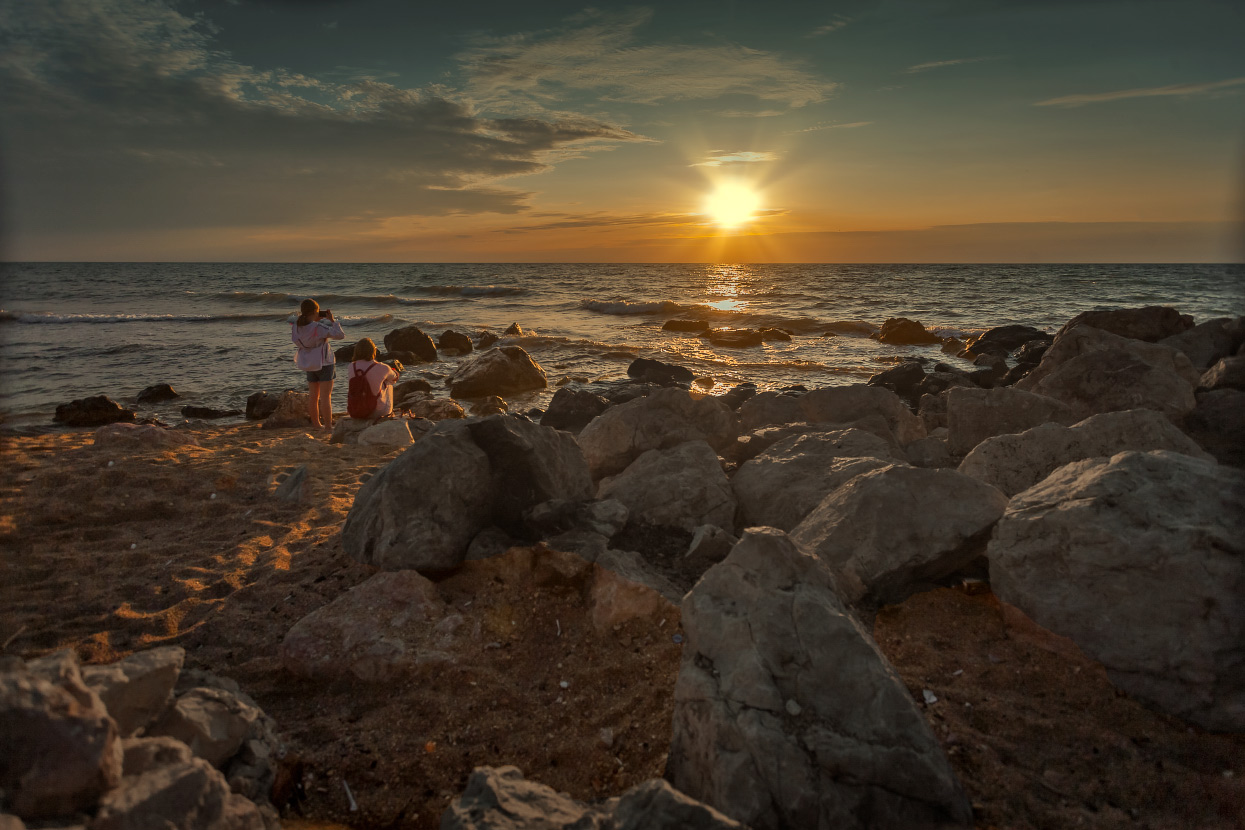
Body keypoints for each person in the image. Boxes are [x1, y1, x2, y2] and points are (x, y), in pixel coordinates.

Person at [290, 298, 344, 429]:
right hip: (324, 363)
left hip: (309, 363)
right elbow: (340, 335)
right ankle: (328, 426)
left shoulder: (296, 326)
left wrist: (316, 321)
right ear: (315, 311)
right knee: (325, 397)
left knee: (313, 397)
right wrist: (332, 321)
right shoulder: (318, 327)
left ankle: (316, 424)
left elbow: (300, 339)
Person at [347, 337, 399, 419]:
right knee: (388, 381)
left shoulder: (351, 366)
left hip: (355, 410)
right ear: (373, 351)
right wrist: (393, 370)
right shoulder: (382, 367)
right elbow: (395, 378)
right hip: (377, 412)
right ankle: (388, 411)